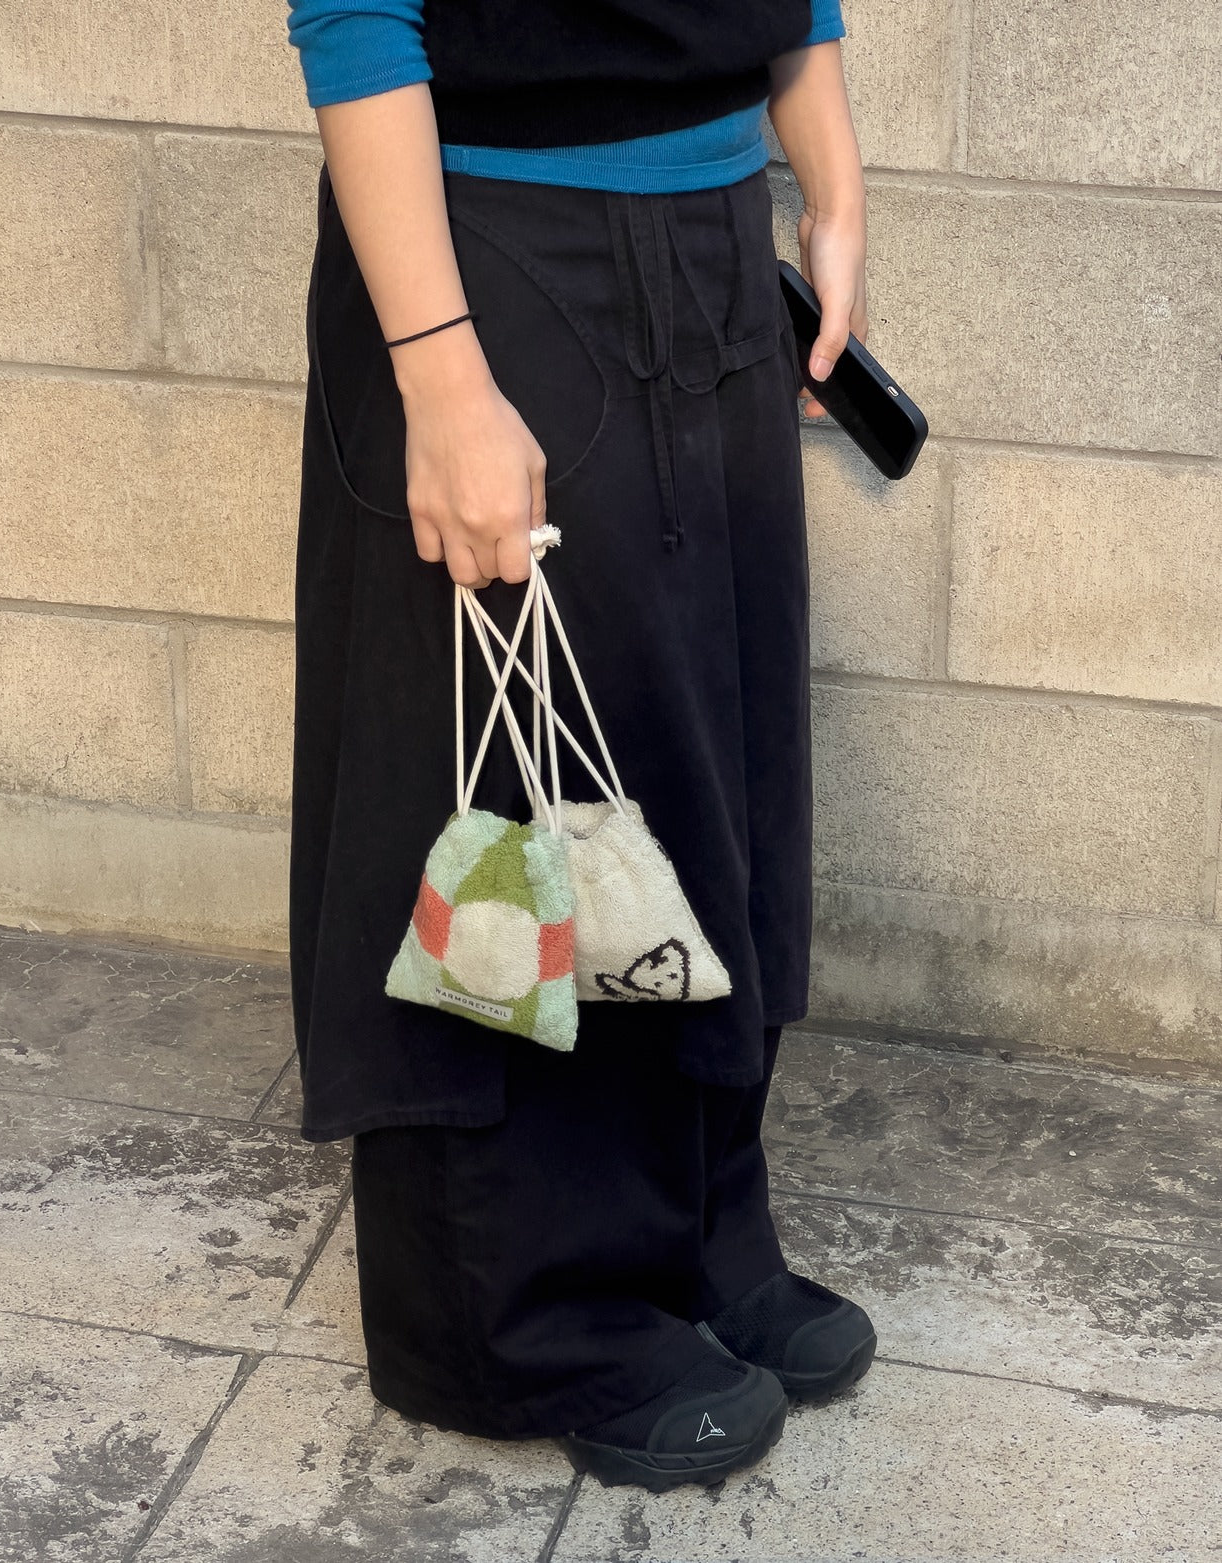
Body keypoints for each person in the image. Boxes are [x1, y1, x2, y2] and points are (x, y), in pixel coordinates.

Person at [285, 0, 875, 1492]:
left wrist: (832, 186)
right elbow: (355, 12)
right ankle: (518, 1317)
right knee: (514, 788)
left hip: (711, 231)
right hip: (491, 251)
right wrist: (441, 381)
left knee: (707, 756)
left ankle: (689, 1235)